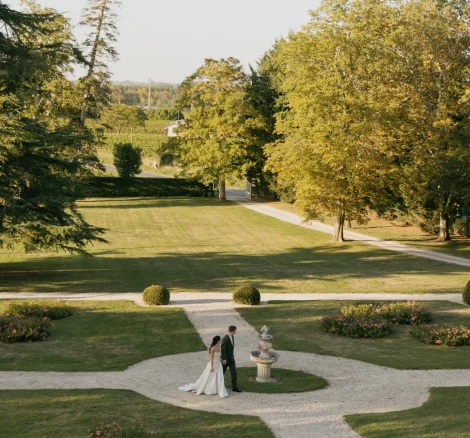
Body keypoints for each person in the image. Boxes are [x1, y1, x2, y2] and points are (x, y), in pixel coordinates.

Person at [221, 325, 242, 393]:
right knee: (222, 373)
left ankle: (234, 387)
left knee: (234, 373)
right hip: (226, 360)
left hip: (231, 359)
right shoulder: (225, 338)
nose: (236, 332)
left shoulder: (232, 337)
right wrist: (224, 359)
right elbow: (223, 349)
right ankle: (219, 386)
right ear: (233, 331)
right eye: (235, 330)